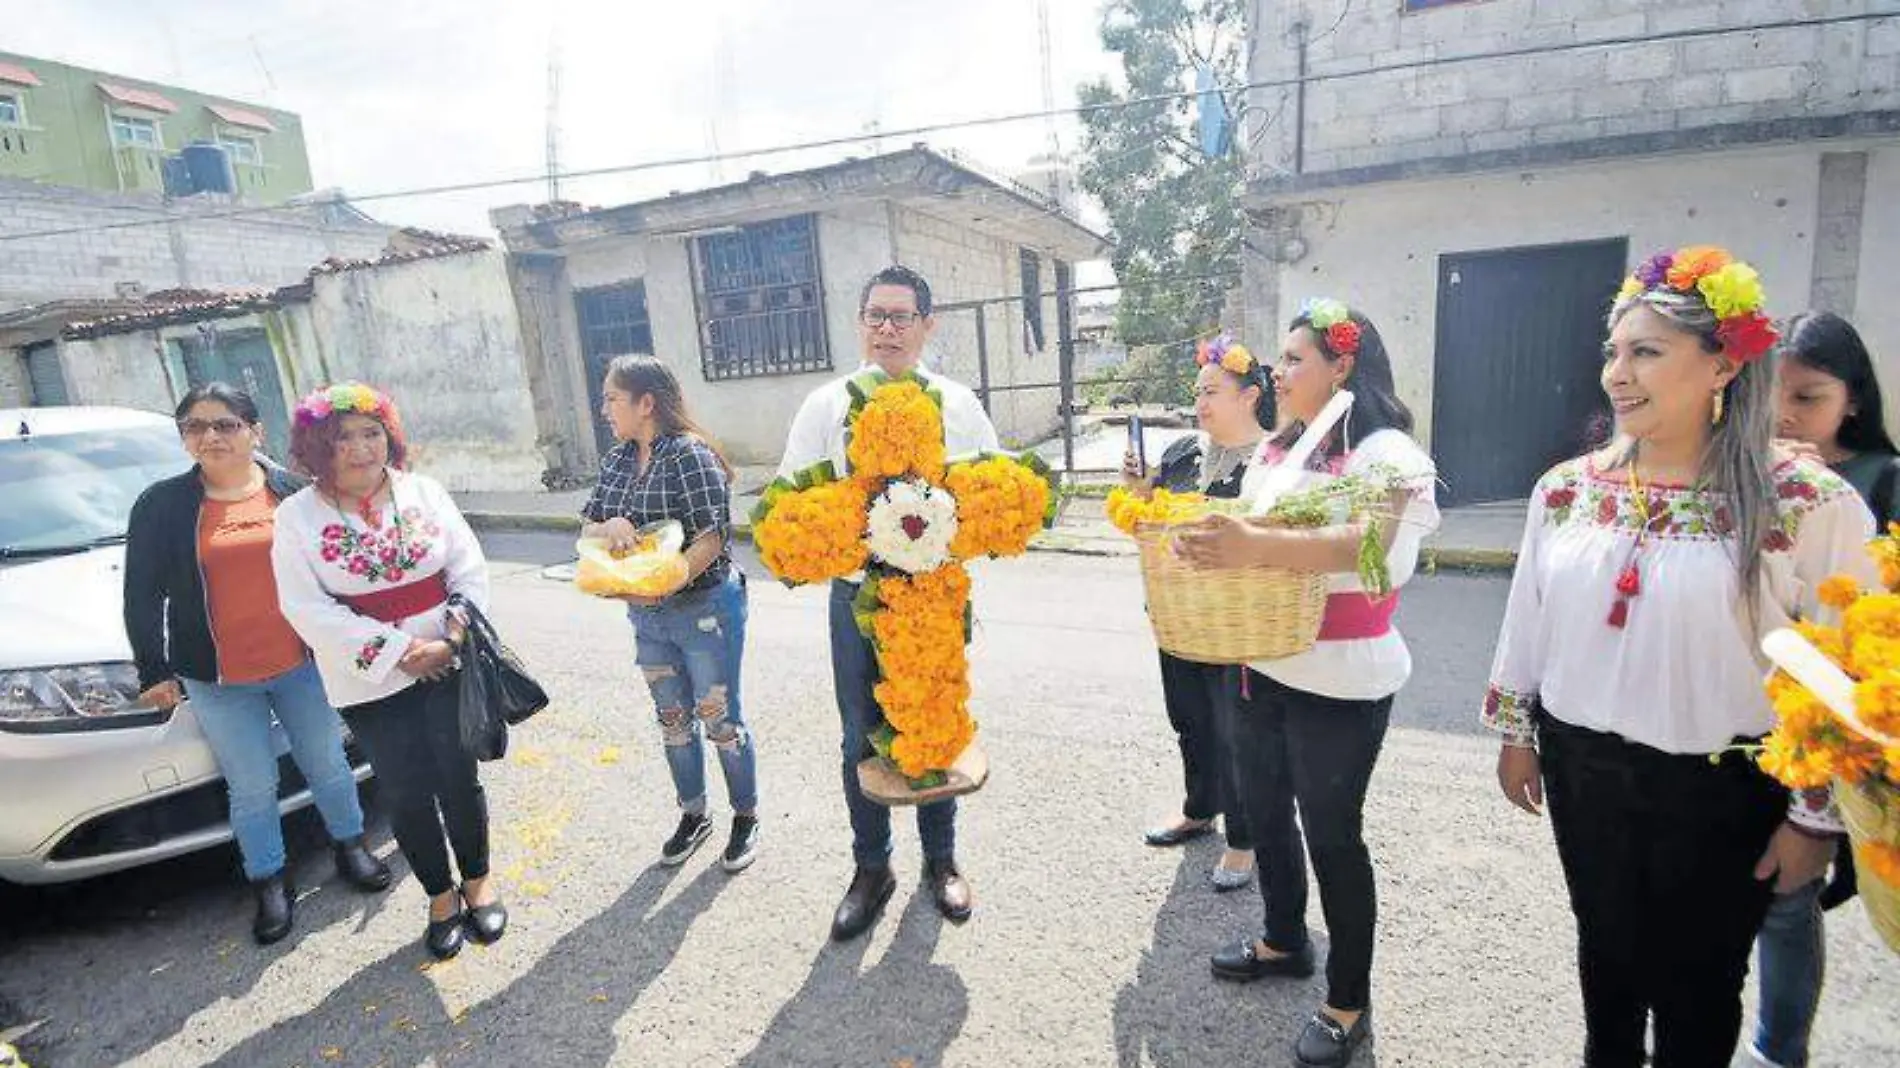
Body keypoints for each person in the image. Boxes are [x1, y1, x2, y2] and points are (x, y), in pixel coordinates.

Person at [1482, 248, 1873, 1068]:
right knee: (1607, 965)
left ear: (1723, 363)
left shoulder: (1806, 503)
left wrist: (1814, 819)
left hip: (1726, 787)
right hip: (1584, 767)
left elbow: (1851, 673)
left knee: (1699, 988)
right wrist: (1519, 728)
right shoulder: (1566, 489)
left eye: (1646, 352)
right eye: (1613, 353)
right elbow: (1531, 615)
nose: (1617, 374)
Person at [1176, 300, 1438, 1068]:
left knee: (1333, 835)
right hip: (1262, 663)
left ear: (1343, 365)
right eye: (1282, 359)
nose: (1278, 372)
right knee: (1264, 811)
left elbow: (1375, 555)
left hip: (1342, 682)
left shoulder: (1386, 451)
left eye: (1294, 359)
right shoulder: (1284, 447)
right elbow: (1249, 539)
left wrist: (1252, 541)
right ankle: (1284, 940)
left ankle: (1346, 1000)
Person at [777, 265, 999, 941]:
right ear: (859, 323)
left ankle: (941, 861)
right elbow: (790, 494)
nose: (887, 329)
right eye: (875, 315)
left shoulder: (958, 403)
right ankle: (871, 869)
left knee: (935, 726)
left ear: (929, 326)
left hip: (935, 599)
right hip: (856, 600)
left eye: (902, 317)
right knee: (857, 736)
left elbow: (993, 488)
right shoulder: (827, 404)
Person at [124, 383, 391, 945]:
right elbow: (141, 594)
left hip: (300, 664)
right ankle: (268, 879)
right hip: (218, 678)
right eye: (195, 426)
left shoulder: (292, 492)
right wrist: (154, 669)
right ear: (184, 438)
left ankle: (351, 846)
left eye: (225, 424)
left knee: (327, 764)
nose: (211, 436)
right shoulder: (161, 506)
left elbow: (336, 567)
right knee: (251, 785)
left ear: (254, 431)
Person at [270, 382, 505, 961]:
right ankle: (439, 897)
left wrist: (450, 639)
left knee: (458, 777)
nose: (359, 448)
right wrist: (399, 650)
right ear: (316, 447)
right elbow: (303, 606)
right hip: (367, 677)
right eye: (341, 437)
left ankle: (477, 882)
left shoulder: (424, 491)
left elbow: (468, 568)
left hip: (447, 660)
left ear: (389, 437)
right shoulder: (296, 517)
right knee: (404, 790)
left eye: (371, 433)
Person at [1753, 310, 1898, 1068]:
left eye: (1807, 398)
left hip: (1836, 732)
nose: (1785, 418)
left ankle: (1779, 1048)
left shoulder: (1878, 483)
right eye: (1770, 400)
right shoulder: (1743, 478)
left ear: (1855, 400)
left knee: (1788, 901)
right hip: (1749, 725)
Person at [580, 355, 759, 872]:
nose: (605, 408)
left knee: (720, 719)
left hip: (704, 609)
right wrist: (610, 523)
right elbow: (588, 529)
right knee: (673, 719)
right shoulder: (616, 460)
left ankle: (744, 816)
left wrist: (661, 583)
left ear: (646, 403)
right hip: (647, 618)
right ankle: (694, 814)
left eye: (613, 398)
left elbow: (712, 538)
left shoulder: (690, 456)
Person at [1121, 335, 1274, 890]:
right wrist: (1137, 490)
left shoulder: (1271, 462)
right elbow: (1154, 517)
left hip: (1237, 622)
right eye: (1197, 392)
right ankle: (1199, 805)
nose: (1200, 403)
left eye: (1212, 391)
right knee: (1189, 717)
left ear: (1250, 395)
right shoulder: (1182, 453)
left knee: (1239, 731)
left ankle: (1245, 837)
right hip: (1179, 615)